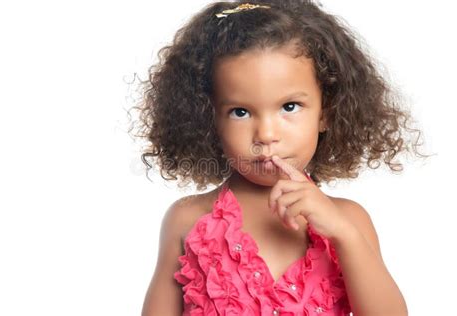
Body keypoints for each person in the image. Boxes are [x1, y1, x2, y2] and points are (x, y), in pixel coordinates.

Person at [130, 1, 430, 315]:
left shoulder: (350, 222)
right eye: (240, 112)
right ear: (210, 119)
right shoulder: (187, 220)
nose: (266, 134)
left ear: (326, 111)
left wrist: (344, 236)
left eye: (289, 107)